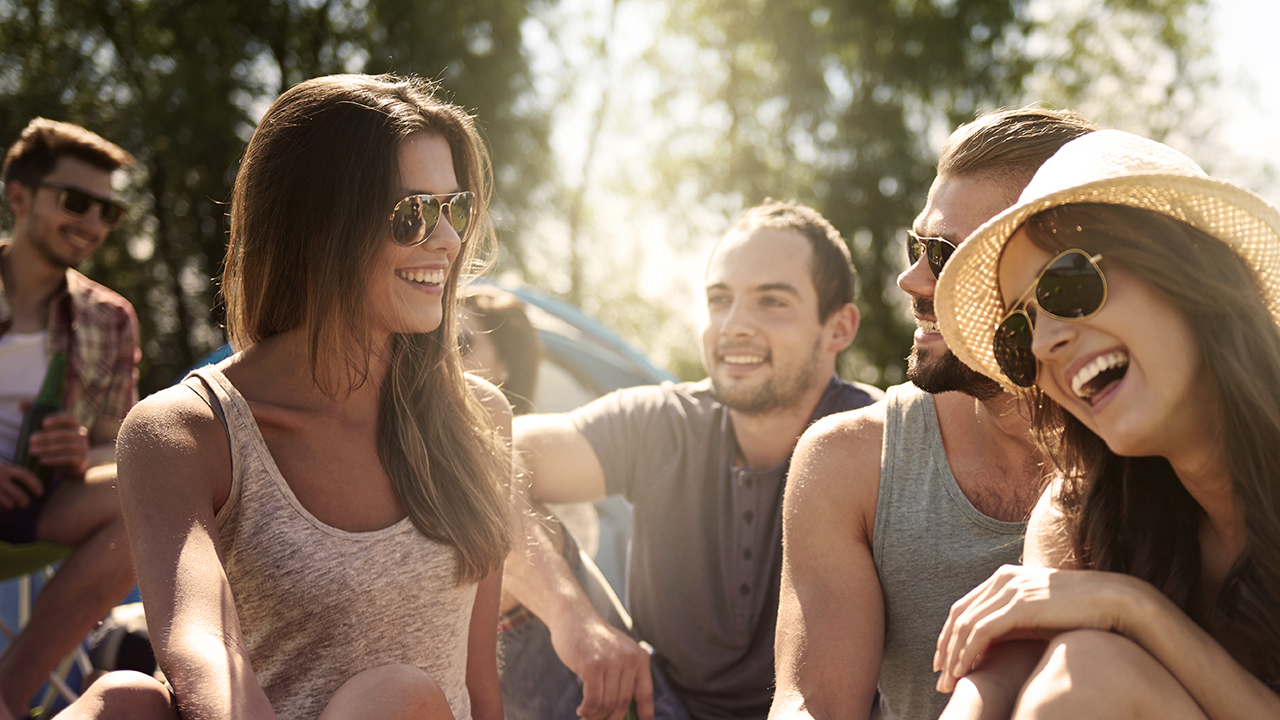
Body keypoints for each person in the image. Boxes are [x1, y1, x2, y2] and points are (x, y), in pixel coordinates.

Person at [64, 73, 516, 720]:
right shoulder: (188, 432)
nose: (446, 240)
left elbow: (479, 687)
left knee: (396, 700)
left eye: (457, 208)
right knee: (122, 706)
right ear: (316, 229)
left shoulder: (477, 420)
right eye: (412, 215)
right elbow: (203, 647)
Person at [930, 129, 1280, 718]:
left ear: (1186, 268)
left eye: (1068, 283)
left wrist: (1134, 609)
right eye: (1018, 332)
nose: (1044, 342)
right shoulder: (1082, 514)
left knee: (1095, 669)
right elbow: (1000, 675)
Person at [769, 107, 1098, 720]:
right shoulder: (849, 461)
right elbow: (813, 705)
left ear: (1058, 280)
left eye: (945, 255)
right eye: (916, 246)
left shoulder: (1148, 460)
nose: (910, 279)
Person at [504, 199, 881, 720]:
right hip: (656, 704)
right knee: (488, 513)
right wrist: (571, 615)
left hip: (812, 712)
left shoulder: (881, 439)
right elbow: (487, 454)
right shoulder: (661, 422)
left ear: (838, 328)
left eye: (771, 302)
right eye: (719, 300)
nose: (734, 325)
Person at [0, 118, 139, 720]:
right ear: (19, 197)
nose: (92, 224)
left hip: (36, 505)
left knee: (148, 492)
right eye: (77, 202)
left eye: (109, 212)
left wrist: (85, 452)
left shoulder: (109, 317)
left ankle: (8, 694)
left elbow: (123, 448)